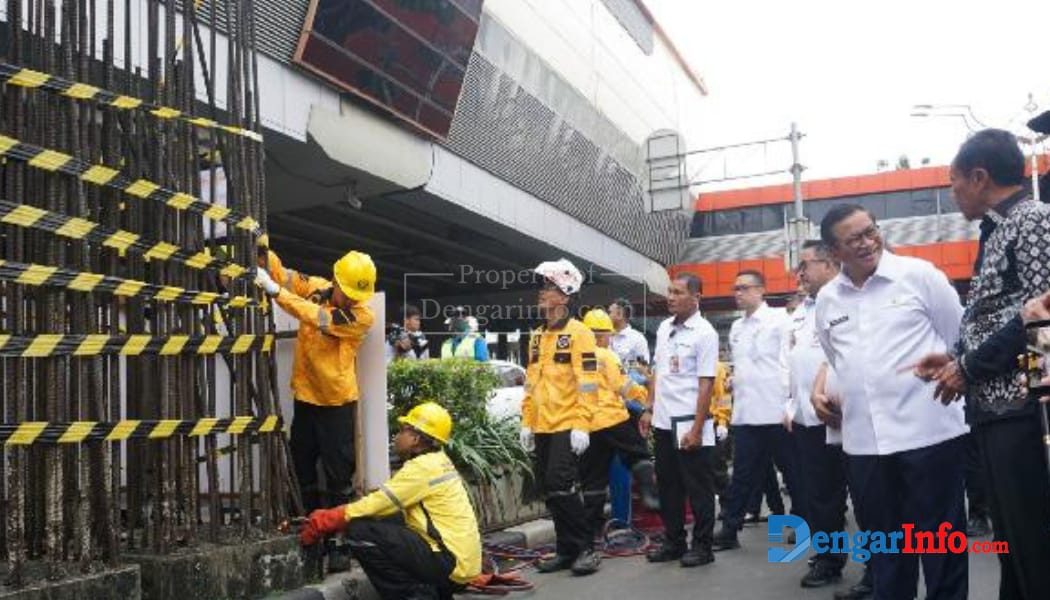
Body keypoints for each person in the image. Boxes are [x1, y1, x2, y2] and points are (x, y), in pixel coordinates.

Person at [912, 130, 1050, 600]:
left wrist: (970, 367)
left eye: (953, 183)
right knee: (1012, 545)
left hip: (1025, 412)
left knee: (1034, 544)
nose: (952, 194)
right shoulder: (997, 229)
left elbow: (1045, 318)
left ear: (979, 177)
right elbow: (1003, 311)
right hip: (995, 411)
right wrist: (954, 358)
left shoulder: (1032, 221)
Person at [814, 203, 967, 599]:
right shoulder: (829, 300)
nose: (868, 243)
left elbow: (959, 341)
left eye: (871, 231)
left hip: (930, 436)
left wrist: (954, 365)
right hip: (865, 445)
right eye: (854, 239)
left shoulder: (918, 276)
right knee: (887, 553)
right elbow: (839, 362)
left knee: (941, 549)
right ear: (834, 253)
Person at [297, 402, 482, 600]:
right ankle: (437, 592)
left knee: (359, 531)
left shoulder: (421, 469)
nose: (397, 436)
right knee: (388, 519)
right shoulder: (439, 461)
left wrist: (328, 519)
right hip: (460, 562)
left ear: (415, 438)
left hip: (449, 564)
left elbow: (378, 502)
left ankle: (417, 596)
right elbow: (385, 507)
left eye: (403, 430)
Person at [255, 245, 375, 512]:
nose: (354, 300)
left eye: (358, 295)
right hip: (306, 397)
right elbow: (284, 275)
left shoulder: (362, 316)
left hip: (337, 402)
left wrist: (276, 292)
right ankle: (304, 520)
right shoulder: (317, 288)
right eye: (349, 293)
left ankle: (336, 535)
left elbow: (319, 317)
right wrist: (262, 250)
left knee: (339, 473)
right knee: (301, 463)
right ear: (336, 281)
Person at [519, 258, 602, 575]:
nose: (542, 292)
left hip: (568, 424)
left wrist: (582, 425)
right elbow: (531, 382)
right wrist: (526, 420)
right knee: (549, 489)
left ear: (565, 296)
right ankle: (567, 550)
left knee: (560, 484)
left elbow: (589, 383)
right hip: (541, 425)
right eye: (542, 286)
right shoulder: (538, 336)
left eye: (549, 287)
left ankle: (586, 548)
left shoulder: (580, 333)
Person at [713, 270, 796, 551]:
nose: (738, 293)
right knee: (742, 476)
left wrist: (790, 404)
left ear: (761, 290)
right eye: (735, 288)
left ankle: (802, 524)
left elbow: (787, 365)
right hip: (747, 414)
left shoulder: (780, 321)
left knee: (794, 473)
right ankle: (729, 531)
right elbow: (744, 367)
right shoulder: (736, 328)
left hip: (776, 411)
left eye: (744, 288)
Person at [783, 241, 849, 588]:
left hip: (849, 417)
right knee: (821, 497)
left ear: (828, 263)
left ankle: (878, 568)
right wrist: (790, 405)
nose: (800, 273)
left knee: (869, 499)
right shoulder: (801, 311)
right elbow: (789, 363)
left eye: (805, 265)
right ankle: (828, 559)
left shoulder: (848, 297)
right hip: (810, 420)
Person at [643, 273, 719, 568]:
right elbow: (657, 372)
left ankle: (703, 546)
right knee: (669, 487)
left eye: (677, 292)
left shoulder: (705, 333)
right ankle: (674, 542)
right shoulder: (663, 328)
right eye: (669, 292)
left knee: (698, 489)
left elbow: (706, 383)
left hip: (690, 423)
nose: (670, 297)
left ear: (696, 297)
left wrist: (698, 429)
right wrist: (649, 409)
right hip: (663, 423)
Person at [577, 308, 659, 541]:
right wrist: (646, 401)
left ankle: (590, 532)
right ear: (603, 336)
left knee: (593, 479)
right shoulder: (606, 355)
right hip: (613, 418)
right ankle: (650, 495)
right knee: (637, 452)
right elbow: (623, 385)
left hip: (588, 425)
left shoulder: (576, 356)